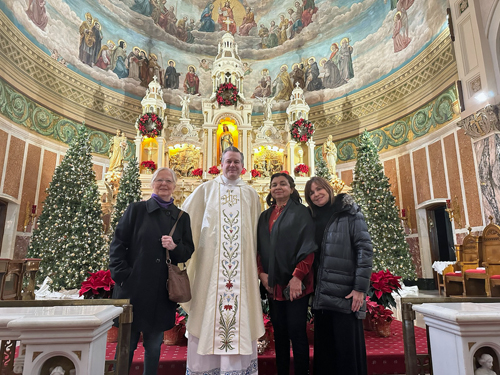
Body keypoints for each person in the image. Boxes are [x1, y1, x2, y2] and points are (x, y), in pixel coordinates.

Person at [181, 146, 264, 375]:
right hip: (211, 271)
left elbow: (257, 235)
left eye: (237, 162)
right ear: (221, 163)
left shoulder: (251, 195)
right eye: (228, 161)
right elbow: (185, 221)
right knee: (206, 314)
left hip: (242, 273)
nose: (232, 166)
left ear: (243, 165)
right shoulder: (205, 190)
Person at [109, 168, 195, 375]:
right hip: (133, 288)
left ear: (175, 186)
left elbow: (187, 251)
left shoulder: (181, 217)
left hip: (161, 291)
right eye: (159, 180)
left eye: (168, 181)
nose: (164, 184)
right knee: (126, 345)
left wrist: (175, 247)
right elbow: (118, 243)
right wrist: (122, 275)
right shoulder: (136, 210)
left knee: (154, 345)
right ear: (152, 184)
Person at [304, 176, 373, 375]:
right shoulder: (311, 217)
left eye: (319, 189)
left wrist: (360, 289)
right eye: (311, 192)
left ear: (328, 188)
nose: (316, 194)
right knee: (325, 351)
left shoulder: (349, 212)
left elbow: (364, 250)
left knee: (347, 351)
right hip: (322, 294)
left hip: (346, 293)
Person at [257, 173, 316, 375]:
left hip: (296, 284)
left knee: (297, 332)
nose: (278, 187)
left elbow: (308, 247)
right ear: (270, 190)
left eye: (283, 184)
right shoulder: (265, 216)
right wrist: (262, 274)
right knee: (280, 334)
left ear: (291, 188)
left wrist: (298, 276)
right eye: (274, 185)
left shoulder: (302, 213)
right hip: (273, 284)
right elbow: (258, 248)